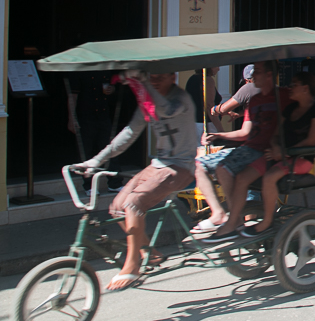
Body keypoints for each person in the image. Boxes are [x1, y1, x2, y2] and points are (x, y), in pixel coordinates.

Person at [74, 71, 198, 291]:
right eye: (152, 77)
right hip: (159, 164)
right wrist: (96, 160)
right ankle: (149, 253)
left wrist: (142, 83)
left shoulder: (180, 99)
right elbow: (129, 133)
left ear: (173, 77)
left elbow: (165, 109)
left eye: (160, 76)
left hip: (181, 166)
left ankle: (132, 266)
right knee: (117, 207)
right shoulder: (150, 99)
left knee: (133, 203)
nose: (155, 80)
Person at [219, 72, 315, 238]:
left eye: (294, 84)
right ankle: (233, 223)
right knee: (242, 177)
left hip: (301, 157)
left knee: (270, 177)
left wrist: (284, 152)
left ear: (305, 88)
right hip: (279, 155)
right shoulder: (290, 108)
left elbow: (311, 141)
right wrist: (276, 147)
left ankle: (267, 221)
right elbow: (276, 134)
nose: (290, 88)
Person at [200, 62, 289, 238]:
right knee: (198, 164)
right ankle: (228, 216)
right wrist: (220, 136)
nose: (253, 77)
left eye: (259, 72)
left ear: (270, 75)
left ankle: (234, 220)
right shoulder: (255, 100)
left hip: (264, 152)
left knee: (224, 169)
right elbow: (246, 132)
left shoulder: (283, 96)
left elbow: (310, 102)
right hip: (248, 148)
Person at [67, 71, 119, 192]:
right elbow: (72, 96)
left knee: (110, 149)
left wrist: (112, 90)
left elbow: (113, 89)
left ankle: (114, 183)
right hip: (85, 116)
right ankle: (88, 186)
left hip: (103, 114)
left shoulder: (105, 71)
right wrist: (72, 118)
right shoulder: (78, 72)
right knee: (86, 151)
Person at [185, 67, 222, 141]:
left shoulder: (192, 79)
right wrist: (220, 130)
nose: (218, 69)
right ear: (210, 67)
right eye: (217, 66)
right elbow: (209, 106)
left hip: (193, 124)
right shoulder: (207, 80)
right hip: (205, 126)